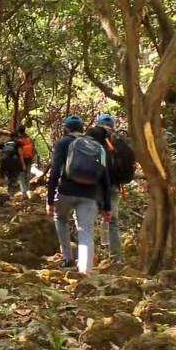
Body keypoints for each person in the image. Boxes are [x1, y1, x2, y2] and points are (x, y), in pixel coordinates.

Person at [45, 113, 112, 274]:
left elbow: (54, 172)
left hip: (66, 192)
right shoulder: (98, 147)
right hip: (89, 195)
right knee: (85, 230)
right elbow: (105, 179)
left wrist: (50, 200)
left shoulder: (63, 143)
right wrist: (106, 207)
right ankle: (85, 270)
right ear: (83, 129)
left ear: (66, 129)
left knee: (60, 218)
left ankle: (67, 259)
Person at [92, 112, 138, 266]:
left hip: (95, 185)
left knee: (88, 221)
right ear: (112, 125)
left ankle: (89, 257)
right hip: (113, 185)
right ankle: (116, 258)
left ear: (98, 124)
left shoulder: (94, 138)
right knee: (113, 222)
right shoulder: (120, 141)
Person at [0, 123, 36, 197]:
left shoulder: (12, 142)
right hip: (27, 159)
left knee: (18, 177)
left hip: (17, 160)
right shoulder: (28, 138)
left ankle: (15, 193)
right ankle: (25, 192)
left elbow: (1, 153)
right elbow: (32, 150)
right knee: (25, 175)